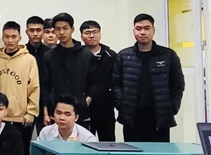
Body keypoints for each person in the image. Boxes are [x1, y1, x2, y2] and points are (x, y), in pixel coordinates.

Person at [113, 13, 185, 142]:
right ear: (134, 31)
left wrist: (173, 107)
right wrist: (121, 104)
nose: (142, 32)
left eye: (147, 28)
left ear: (153, 30)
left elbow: (178, 84)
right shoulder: (123, 56)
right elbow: (115, 83)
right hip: (132, 116)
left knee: (159, 152)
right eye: (138, 28)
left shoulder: (168, 55)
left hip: (159, 116)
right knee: (133, 152)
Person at [0, 21, 39, 155]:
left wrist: (31, 112)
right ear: (2, 37)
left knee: (21, 154)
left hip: (22, 118)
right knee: (1, 153)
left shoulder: (29, 60)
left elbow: (34, 87)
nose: (10, 40)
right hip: (0, 116)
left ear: (20, 37)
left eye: (13, 37)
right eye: (7, 37)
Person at [41, 13, 97, 130]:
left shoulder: (86, 55)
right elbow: (45, 85)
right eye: (58, 29)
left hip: (80, 112)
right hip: (56, 113)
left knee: (80, 141)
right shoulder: (49, 56)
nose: (61, 32)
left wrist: (86, 101)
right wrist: (46, 112)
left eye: (65, 28)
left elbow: (95, 83)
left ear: (72, 29)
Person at [80, 20, 116, 141]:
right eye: (87, 32)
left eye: (95, 32)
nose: (91, 35)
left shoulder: (111, 55)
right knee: (84, 143)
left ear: (100, 34)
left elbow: (116, 80)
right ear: (81, 36)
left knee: (108, 142)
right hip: (84, 108)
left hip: (105, 107)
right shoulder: (78, 55)